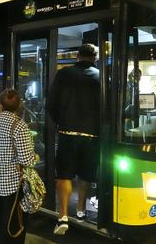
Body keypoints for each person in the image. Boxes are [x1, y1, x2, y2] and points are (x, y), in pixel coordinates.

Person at [48, 43, 100, 235]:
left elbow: (51, 103)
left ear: (77, 56)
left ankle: (62, 217)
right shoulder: (101, 77)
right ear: (95, 58)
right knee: (85, 175)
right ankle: (80, 210)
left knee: (64, 175)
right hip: (92, 136)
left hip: (67, 134)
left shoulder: (64, 74)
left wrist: (61, 123)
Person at [0, 89, 36, 244]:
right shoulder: (19, 126)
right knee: (12, 219)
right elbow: (26, 159)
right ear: (19, 106)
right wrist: (35, 157)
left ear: (0, 106)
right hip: (11, 185)